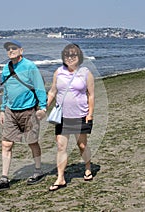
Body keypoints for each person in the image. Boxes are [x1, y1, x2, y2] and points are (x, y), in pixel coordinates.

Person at [0, 40, 47, 193]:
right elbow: (6, 90)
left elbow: (39, 87)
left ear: (21, 50)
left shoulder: (30, 66)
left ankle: (38, 171)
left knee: (32, 142)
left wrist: (43, 107)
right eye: (8, 49)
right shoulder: (7, 68)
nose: (10, 51)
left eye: (14, 48)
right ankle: (4, 179)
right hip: (10, 111)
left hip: (29, 110)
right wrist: (2, 109)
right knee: (6, 144)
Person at [46, 43, 95, 191]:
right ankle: (60, 178)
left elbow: (91, 95)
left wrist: (90, 114)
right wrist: (44, 106)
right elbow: (52, 92)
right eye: (67, 55)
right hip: (63, 116)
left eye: (73, 55)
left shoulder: (86, 73)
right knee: (61, 147)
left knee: (82, 145)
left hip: (80, 114)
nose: (70, 57)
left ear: (79, 56)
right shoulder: (58, 72)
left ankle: (87, 166)